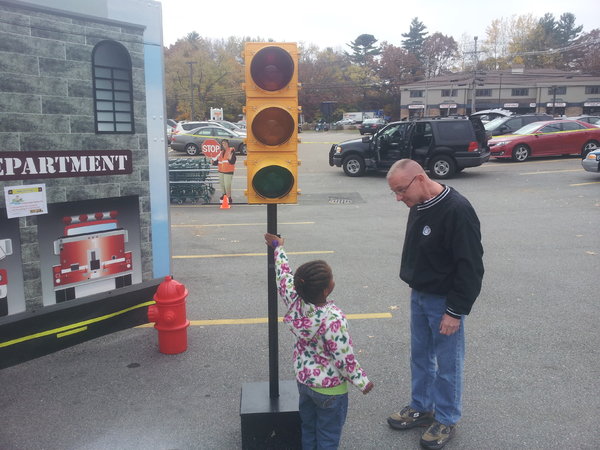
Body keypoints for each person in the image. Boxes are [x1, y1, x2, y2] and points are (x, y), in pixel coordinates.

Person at [385, 159, 484, 450]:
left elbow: (471, 266)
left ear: (419, 179)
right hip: (420, 294)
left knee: (447, 364)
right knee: (420, 356)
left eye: (401, 190)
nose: (398, 197)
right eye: (395, 192)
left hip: (444, 302)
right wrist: (414, 280)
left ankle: (446, 418)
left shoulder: (457, 210)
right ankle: (421, 407)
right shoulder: (418, 204)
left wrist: (455, 310)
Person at [264, 233, 374, 449]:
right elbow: (344, 357)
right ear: (326, 289)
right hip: (330, 390)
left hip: (305, 382)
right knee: (328, 436)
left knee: (309, 427)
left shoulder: (294, 300)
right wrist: (362, 381)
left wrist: (278, 247)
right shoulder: (333, 318)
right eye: (331, 278)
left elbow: (283, 276)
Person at [212, 139, 236, 203]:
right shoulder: (220, 152)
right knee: (222, 185)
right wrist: (213, 159)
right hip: (221, 171)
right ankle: (224, 195)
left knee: (227, 185)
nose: (224, 144)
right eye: (223, 143)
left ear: (228, 144)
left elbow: (233, 161)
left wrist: (230, 159)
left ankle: (229, 198)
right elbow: (216, 162)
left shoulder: (231, 150)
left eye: (225, 143)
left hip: (228, 171)